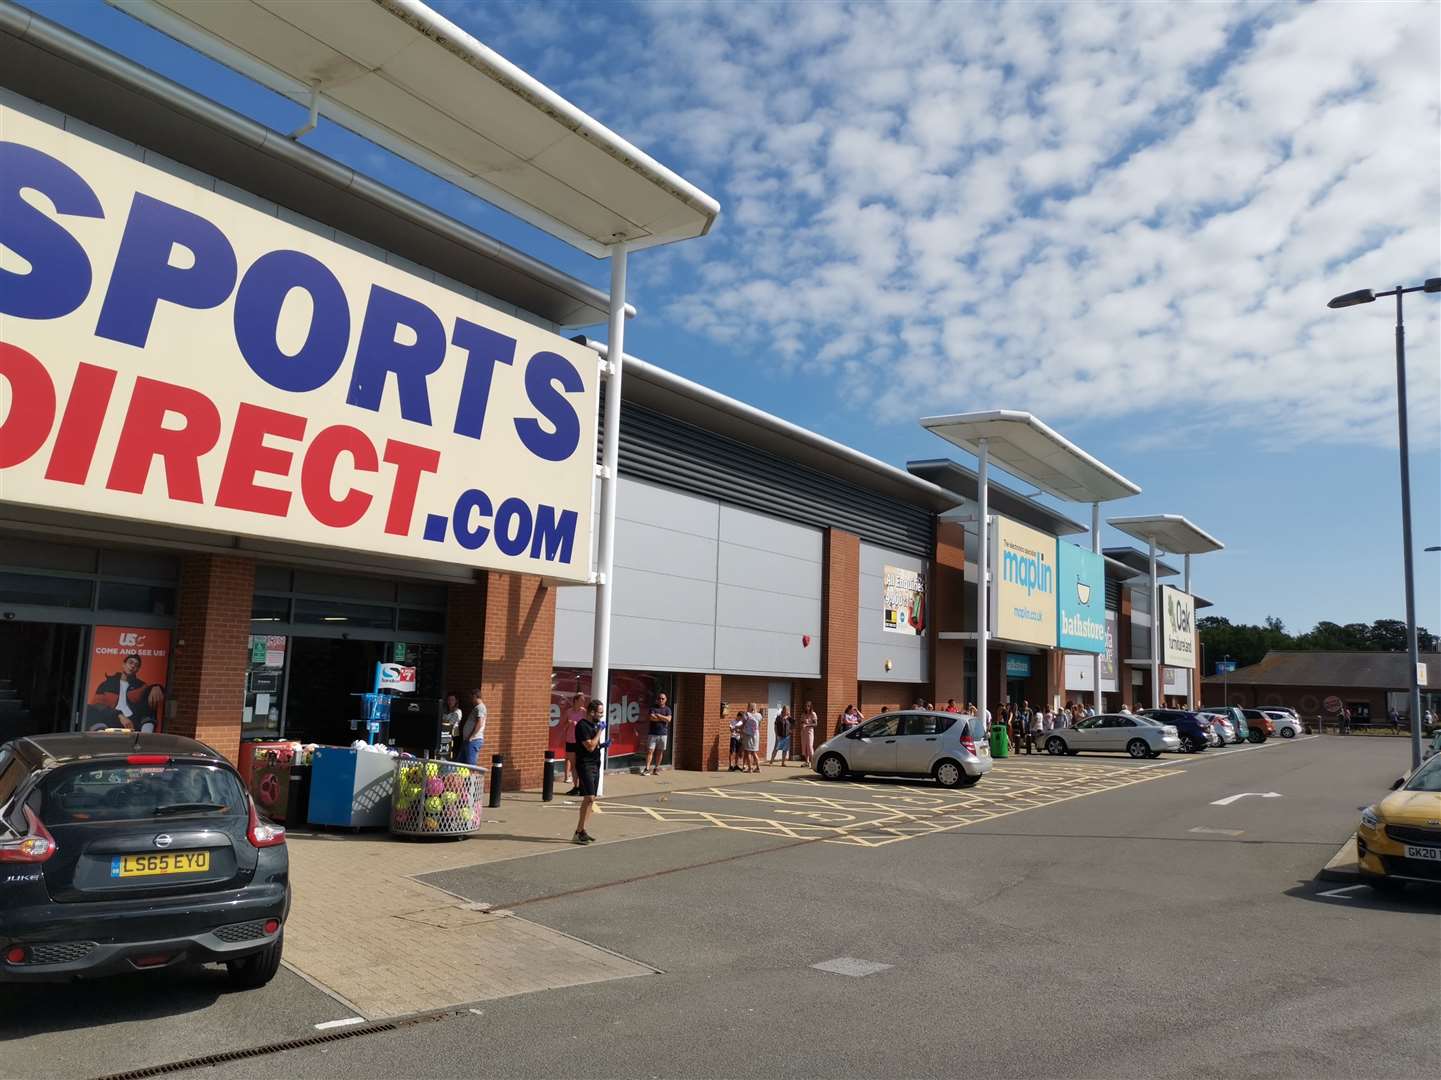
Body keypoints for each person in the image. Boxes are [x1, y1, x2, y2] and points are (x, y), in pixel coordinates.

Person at [88, 653, 165, 732]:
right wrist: (118, 715)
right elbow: (97, 705)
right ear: (124, 664)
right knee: (89, 707)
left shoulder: (141, 686)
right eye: (130, 662)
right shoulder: (107, 684)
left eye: (136, 665)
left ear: (138, 669)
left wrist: (156, 686)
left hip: (133, 720)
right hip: (112, 718)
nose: (133, 666)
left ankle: (146, 733)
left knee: (151, 694)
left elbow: (146, 703)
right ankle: (100, 732)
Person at [572, 698, 605, 844]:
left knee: (591, 799)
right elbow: (590, 746)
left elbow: (595, 746)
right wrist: (599, 731)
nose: (601, 715)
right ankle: (578, 832)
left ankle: (582, 830)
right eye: (600, 712)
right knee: (589, 797)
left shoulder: (594, 725)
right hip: (585, 765)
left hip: (595, 763)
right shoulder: (582, 725)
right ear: (592, 712)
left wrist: (603, 745)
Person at [641, 692, 672, 776]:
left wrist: (658, 715)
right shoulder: (653, 708)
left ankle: (656, 769)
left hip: (663, 734)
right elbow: (652, 718)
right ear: (657, 699)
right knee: (650, 751)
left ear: (665, 700)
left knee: (660, 752)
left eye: (662, 699)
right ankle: (647, 769)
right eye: (659, 698)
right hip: (653, 733)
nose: (661, 700)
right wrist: (663, 718)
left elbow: (669, 720)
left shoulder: (668, 709)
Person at [562, 692, 585, 793]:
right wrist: (569, 723)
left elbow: (587, 726)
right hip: (570, 740)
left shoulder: (584, 712)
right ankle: (576, 787)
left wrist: (579, 724)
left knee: (581, 764)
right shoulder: (569, 711)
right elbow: (563, 726)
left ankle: (582, 786)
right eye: (581, 700)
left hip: (580, 741)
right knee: (573, 764)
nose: (583, 701)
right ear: (576, 701)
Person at [459, 688, 487, 766]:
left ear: (475, 696)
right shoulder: (477, 708)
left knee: (470, 764)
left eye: (471, 697)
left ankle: (472, 778)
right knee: (461, 763)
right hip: (468, 740)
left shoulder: (480, 707)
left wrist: (472, 736)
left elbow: (480, 723)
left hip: (473, 740)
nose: (470, 700)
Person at [742, 703, 762, 773]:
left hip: (748, 735)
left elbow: (743, 724)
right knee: (754, 752)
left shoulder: (746, 715)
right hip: (756, 734)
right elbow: (759, 725)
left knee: (748, 752)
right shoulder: (759, 715)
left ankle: (750, 768)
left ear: (749, 707)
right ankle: (758, 768)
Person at [443, 693, 463, 758]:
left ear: (456, 701)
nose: (450, 702)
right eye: (449, 700)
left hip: (454, 736)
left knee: (452, 755)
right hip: (444, 735)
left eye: (452, 700)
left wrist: (443, 721)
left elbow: (451, 723)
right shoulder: (445, 711)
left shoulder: (458, 711)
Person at [799, 701, 819, 765]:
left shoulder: (813, 714)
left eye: (808, 706)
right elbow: (801, 722)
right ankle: (807, 762)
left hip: (810, 732)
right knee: (804, 746)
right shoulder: (803, 714)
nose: (806, 707)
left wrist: (807, 725)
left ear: (810, 707)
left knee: (810, 746)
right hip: (803, 732)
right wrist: (802, 725)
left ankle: (813, 762)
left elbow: (815, 724)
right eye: (805, 706)